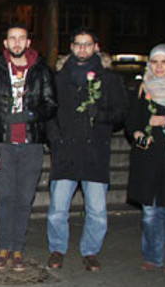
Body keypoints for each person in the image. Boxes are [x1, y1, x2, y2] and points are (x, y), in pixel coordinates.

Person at [46, 29, 127, 272]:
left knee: (97, 212)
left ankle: (90, 251)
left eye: (87, 44)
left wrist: (100, 116)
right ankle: (57, 249)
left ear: (96, 47)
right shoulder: (59, 78)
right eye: (78, 44)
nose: (82, 49)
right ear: (71, 47)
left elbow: (121, 114)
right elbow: (48, 113)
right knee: (57, 211)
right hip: (66, 154)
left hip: (95, 154)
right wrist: (56, 140)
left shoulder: (110, 79)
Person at [0, 24, 57, 272]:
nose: (16, 43)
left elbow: (51, 105)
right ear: (5, 43)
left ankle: (18, 249)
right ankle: (4, 247)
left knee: (24, 199)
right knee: (5, 198)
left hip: (31, 145)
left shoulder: (41, 71)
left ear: (28, 42)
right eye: (12, 39)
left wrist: (30, 115)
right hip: (3, 144)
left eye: (21, 38)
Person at [127, 44, 165, 275]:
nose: (159, 67)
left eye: (164, 62)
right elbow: (132, 119)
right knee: (150, 211)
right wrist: (137, 132)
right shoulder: (145, 87)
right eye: (155, 62)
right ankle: (152, 256)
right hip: (149, 158)